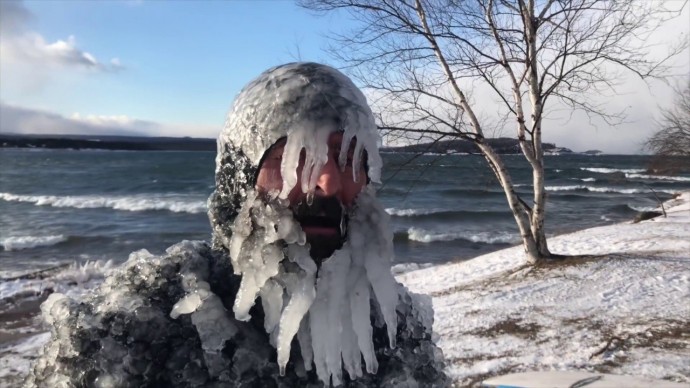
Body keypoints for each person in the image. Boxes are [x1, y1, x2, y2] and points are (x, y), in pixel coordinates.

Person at [27, 63, 448, 387]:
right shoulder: (141, 327)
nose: (328, 182)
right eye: (298, 156)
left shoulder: (395, 329)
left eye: (350, 158)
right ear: (239, 176)